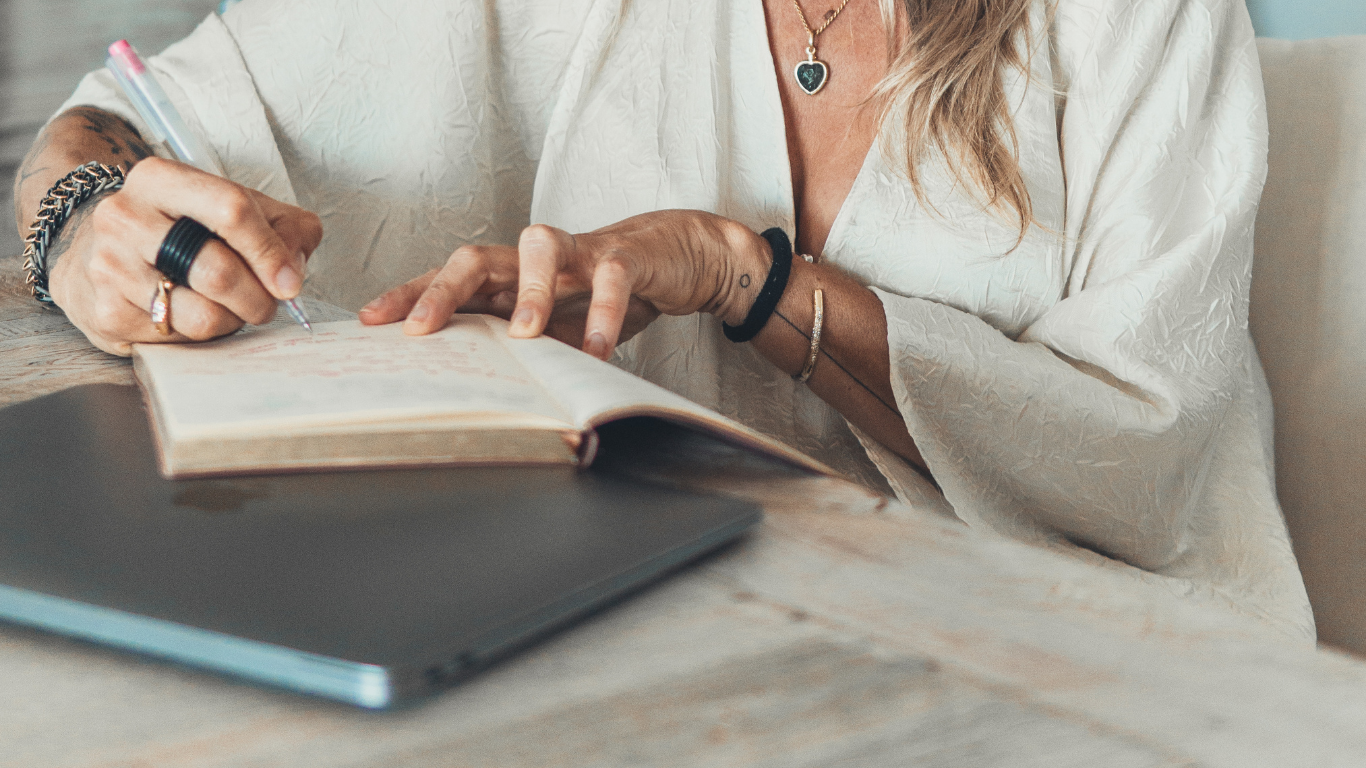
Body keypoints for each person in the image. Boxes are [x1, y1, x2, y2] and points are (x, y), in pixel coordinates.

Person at [11, 0, 1315, 638]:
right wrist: (85, 219)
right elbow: (125, 121)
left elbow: (1148, 457)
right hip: (641, 622)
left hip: (1072, 659)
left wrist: (736, 274)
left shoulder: (1139, 17)